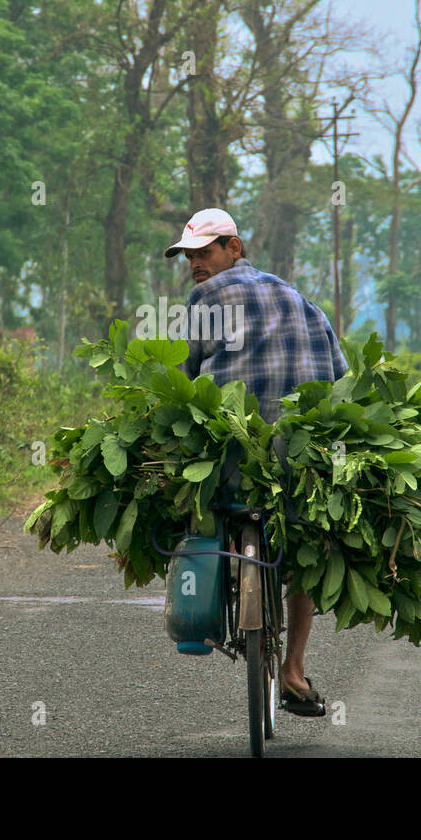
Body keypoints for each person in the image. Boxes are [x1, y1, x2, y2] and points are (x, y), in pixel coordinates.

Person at [164, 207, 347, 718]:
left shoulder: (205, 298)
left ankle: (208, 605)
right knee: (308, 543)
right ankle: (293, 669)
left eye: (205, 252)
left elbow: (183, 378)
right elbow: (341, 379)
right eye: (189, 256)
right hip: (301, 459)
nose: (196, 265)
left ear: (234, 248)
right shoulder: (304, 301)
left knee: (192, 501)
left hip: (233, 454)